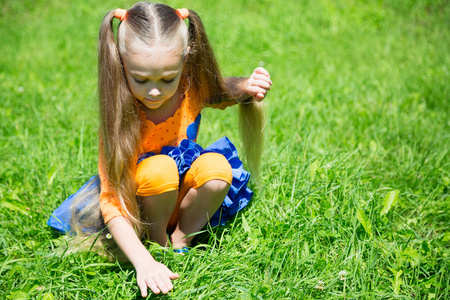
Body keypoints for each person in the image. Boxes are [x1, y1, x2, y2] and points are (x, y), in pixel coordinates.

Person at [47, 1, 272, 296]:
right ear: (121, 62)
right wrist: (143, 262)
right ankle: (157, 245)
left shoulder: (189, 89)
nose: (155, 91)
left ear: (185, 59)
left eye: (168, 78)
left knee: (218, 167)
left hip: (178, 197)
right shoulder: (120, 114)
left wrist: (247, 86)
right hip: (140, 205)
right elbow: (112, 201)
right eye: (140, 79)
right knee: (159, 168)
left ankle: (182, 239)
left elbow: (219, 92)